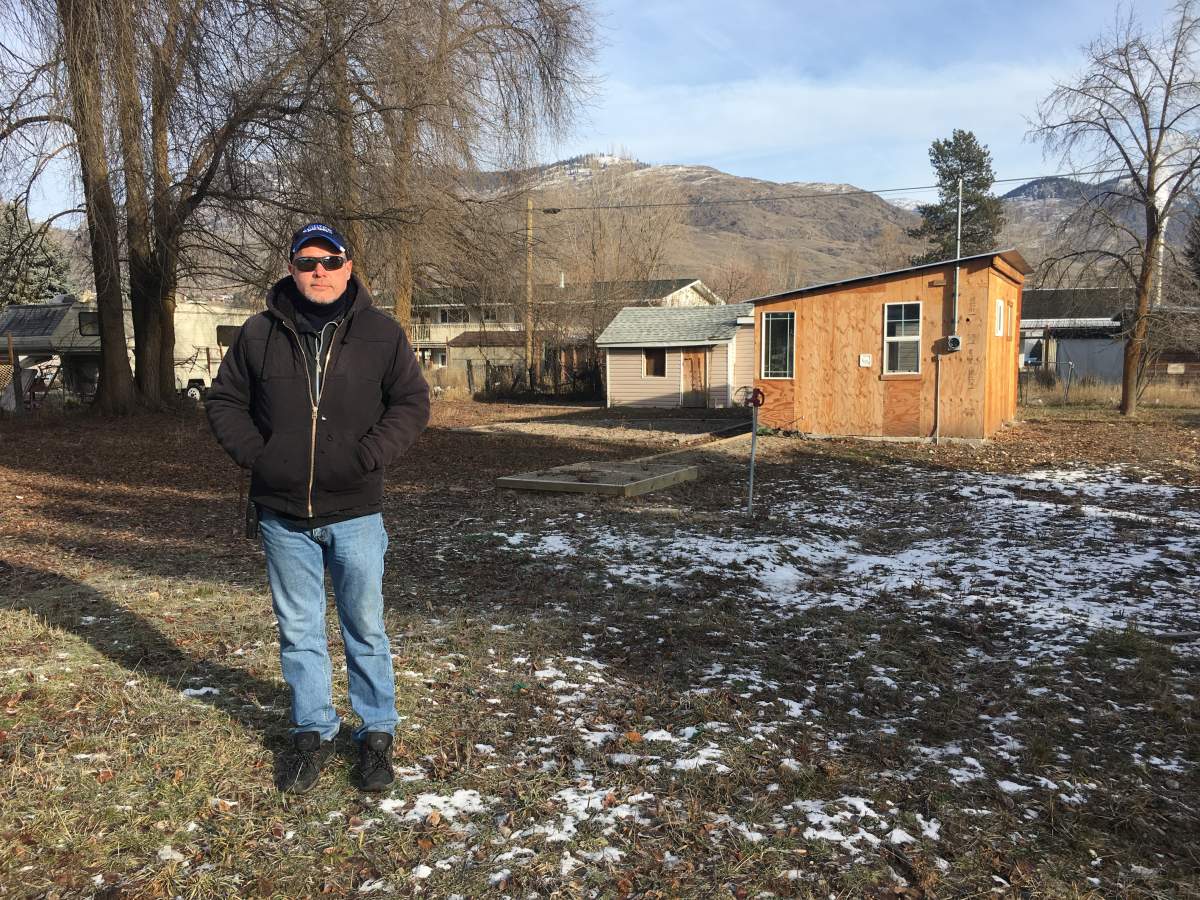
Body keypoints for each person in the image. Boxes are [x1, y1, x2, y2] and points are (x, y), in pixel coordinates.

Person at [206, 223, 430, 793]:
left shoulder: (381, 334)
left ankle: (375, 736)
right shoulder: (258, 334)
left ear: (348, 266)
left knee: (366, 627)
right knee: (300, 630)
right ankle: (312, 734)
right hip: (283, 517)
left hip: (356, 511)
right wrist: (260, 456)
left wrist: (372, 454)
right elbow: (225, 400)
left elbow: (410, 401)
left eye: (330, 261)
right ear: (291, 267)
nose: (319, 271)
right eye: (307, 261)